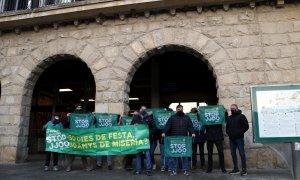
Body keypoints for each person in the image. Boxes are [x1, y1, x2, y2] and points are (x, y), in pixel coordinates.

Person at [162, 104, 195, 176]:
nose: (180, 110)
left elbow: (190, 126)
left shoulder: (187, 118)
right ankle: (174, 170)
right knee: (173, 155)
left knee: (184, 155)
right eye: (178, 109)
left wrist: (192, 133)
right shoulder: (172, 117)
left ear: (183, 110)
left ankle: (185, 170)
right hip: (174, 139)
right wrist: (164, 132)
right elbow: (167, 126)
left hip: (184, 139)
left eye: (181, 109)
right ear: (176, 110)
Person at [65, 103, 92, 172]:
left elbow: (90, 122)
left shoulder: (84, 115)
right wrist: (67, 117)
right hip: (74, 137)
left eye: (80, 107)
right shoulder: (72, 115)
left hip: (82, 137)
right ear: (75, 108)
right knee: (72, 152)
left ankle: (86, 166)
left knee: (83, 152)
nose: (79, 108)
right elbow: (66, 125)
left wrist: (93, 116)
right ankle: (69, 166)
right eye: (78, 107)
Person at [131, 106, 157, 176]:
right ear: (140, 110)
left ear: (146, 110)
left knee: (147, 155)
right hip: (138, 140)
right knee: (138, 155)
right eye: (142, 109)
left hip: (146, 140)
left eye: (145, 109)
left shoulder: (150, 119)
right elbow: (130, 128)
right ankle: (138, 170)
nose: (143, 110)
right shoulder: (135, 118)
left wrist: (148, 133)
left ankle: (148, 170)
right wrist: (134, 125)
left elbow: (154, 129)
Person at [226, 104, 249, 176]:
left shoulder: (242, 116)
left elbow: (246, 126)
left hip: (239, 138)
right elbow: (227, 128)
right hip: (231, 139)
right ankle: (236, 169)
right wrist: (229, 133)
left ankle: (244, 169)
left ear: (237, 109)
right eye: (231, 108)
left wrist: (239, 133)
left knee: (241, 153)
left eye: (234, 108)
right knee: (233, 154)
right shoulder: (229, 118)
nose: (232, 110)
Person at [205, 107, 227, 174]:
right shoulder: (206, 117)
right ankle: (209, 168)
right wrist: (198, 112)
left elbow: (225, 119)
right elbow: (200, 119)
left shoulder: (219, 116)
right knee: (209, 153)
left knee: (221, 152)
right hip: (209, 137)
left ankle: (223, 168)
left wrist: (225, 112)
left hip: (218, 136)